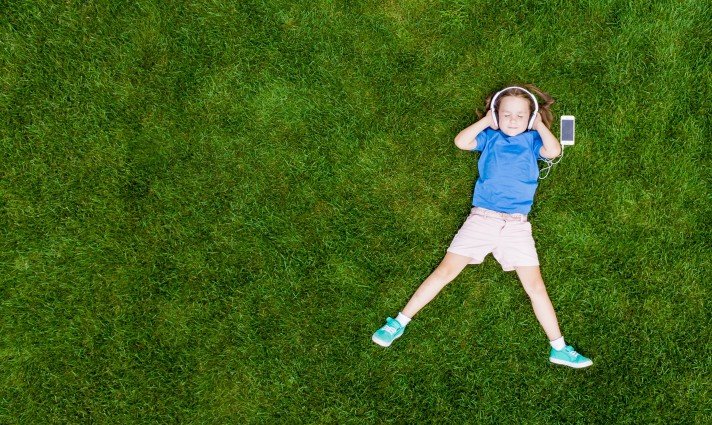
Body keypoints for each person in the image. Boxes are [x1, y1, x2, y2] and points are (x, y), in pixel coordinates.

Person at [371, 84, 592, 368]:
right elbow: (461, 142)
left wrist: (539, 126)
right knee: (445, 272)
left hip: (517, 226)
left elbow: (553, 150)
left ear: (531, 117)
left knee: (536, 286)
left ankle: (559, 348)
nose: (513, 120)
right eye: (506, 114)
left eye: (521, 115)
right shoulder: (490, 137)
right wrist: (487, 122)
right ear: (496, 115)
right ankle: (398, 322)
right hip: (483, 219)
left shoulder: (533, 141)